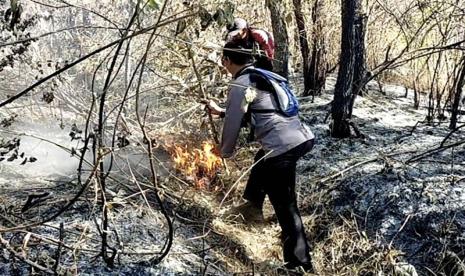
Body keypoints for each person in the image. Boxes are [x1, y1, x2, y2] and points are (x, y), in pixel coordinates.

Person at [206, 39, 315, 272]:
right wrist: (221, 111)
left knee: (286, 206)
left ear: (226, 60)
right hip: (300, 137)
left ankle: (299, 264)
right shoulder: (260, 75)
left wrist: (223, 152)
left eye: (223, 61)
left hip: (282, 146)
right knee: (260, 161)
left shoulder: (240, 83)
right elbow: (262, 109)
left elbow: (235, 121)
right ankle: (252, 205)